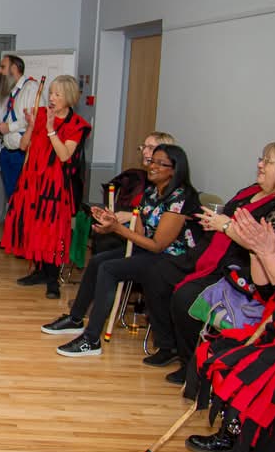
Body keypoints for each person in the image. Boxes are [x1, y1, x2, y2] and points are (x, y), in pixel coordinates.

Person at [149, 142, 275, 383]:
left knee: (186, 297)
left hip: (245, 271)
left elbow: (266, 244)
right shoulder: (250, 191)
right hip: (212, 254)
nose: (260, 164)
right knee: (158, 271)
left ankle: (194, 365)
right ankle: (168, 346)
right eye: (261, 159)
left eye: (268, 161)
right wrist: (214, 223)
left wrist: (224, 226)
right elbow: (226, 219)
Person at [184, 208, 275, 452]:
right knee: (221, 350)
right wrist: (256, 251)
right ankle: (234, 434)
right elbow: (267, 293)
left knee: (269, 374)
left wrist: (269, 254)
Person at [44, 144, 199, 356]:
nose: (151, 166)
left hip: (173, 260)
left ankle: (91, 340)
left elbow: (158, 245)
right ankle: (75, 318)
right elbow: (142, 233)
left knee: (109, 269)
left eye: (159, 163)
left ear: (174, 169)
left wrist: (117, 229)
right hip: (151, 252)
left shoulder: (180, 198)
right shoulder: (153, 191)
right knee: (99, 260)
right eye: (151, 161)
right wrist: (112, 221)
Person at [1, 75, 91, 299]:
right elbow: (23, 146)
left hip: (54, 186)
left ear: (68, 98)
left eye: (57, 94)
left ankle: (53, 280)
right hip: (32, 181)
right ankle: (40, 272)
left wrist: (51, 130)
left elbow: (64, 155)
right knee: (32, 226)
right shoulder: (41, 115)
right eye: (50, 93)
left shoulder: (76, 125)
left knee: (51, 231)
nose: (51, 98)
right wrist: (32, 126)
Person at [0, 55, 38, 214]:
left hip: (22, 153)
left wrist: (9, 127)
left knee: (23, 199)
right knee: (12, 198)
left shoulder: (30, 88)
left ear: (14, 69)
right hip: (7, 151)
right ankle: (13, 234)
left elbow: (35, 119)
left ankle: (22, 235)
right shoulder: (10, 91)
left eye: (3, 67)